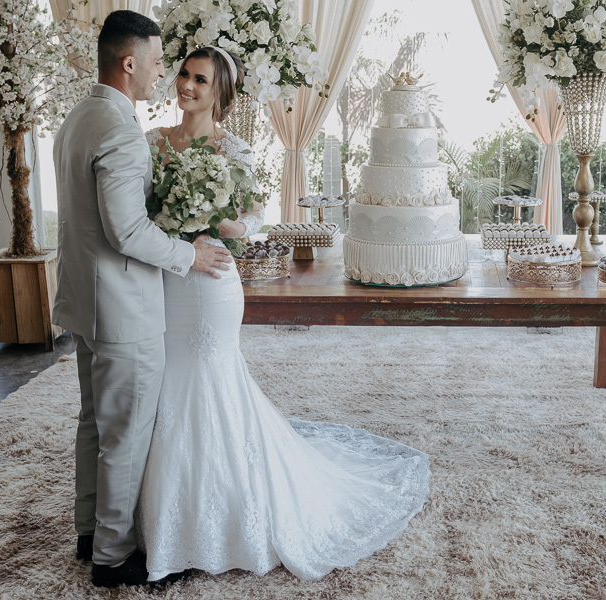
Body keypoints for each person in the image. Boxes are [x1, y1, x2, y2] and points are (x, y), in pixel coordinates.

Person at [138, 47, 430, 582]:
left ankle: (218, 518)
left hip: (211, 284)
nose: (186, 85)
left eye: (201, 80)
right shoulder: (152, 142)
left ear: (220, 94)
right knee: (163, 380)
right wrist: (173, 222)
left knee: (205, 378)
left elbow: (253, 218)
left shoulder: (237, 149)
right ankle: (165, 511)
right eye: (183, 74)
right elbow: (134, 214)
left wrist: (218, 221)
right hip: (163, 278)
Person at [52, 10, 233, 588]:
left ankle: (87, 530)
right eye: (158, 64)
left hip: (82, 300)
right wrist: (190, 256)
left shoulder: (78, 117)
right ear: (129, 64)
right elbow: (125, 231)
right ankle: (112, 556)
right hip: (123, 310)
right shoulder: (123, 131)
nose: (163, 76)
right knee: (125, 434)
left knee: (93, 422)